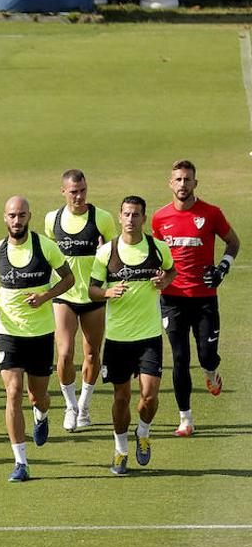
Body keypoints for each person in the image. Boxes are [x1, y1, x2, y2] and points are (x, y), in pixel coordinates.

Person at [0, 197, 74, 482]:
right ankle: (21, 462)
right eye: (11, 216)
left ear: (29, 216)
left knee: (38, 396)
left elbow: (67, 279)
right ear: (4, 218)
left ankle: (41, 415)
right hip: (9, 334)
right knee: (12, 392)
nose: (16, 221)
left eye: (21, 215)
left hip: (41, 334)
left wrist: (46, 296)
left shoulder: (45, 247)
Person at [150, 160, 241, 436]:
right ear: (170, 183)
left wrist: (223, 267)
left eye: (187, 179)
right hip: (172, 298)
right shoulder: (159, 218)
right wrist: (159, 275)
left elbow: (233, 242)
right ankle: (185, 419)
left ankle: (212, 374)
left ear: (195, 183)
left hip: (204, 298)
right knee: (179, 357)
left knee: (206, 355)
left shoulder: (211, 214)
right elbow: (157, 255)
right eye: (178, 179)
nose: (182, 184)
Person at [89, 196, 176, 475]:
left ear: (144, 218)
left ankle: (144, 431)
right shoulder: (107, 252)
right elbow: (91, 290)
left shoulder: (158, 248)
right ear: (119, 216)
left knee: (149, 396)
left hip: (149, 336)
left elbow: (171, 271)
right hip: (118, 339)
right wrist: (107, 292)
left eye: (135, 214)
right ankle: (121, 450)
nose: (130, 219)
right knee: (121, 398)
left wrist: (166, 280)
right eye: (126, 214)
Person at [42, 169, 117, 432]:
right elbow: (50, 255)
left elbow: (115, 258)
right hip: (64, 296)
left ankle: (84, 405)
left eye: (83, 190)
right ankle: (70, 405)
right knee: (63, 354)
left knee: (92, 353)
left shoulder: (103, 219)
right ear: (63, 191)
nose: (79, 196)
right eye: (74, 191)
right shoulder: (52, 220)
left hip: (93, 296)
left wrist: (103, 255)